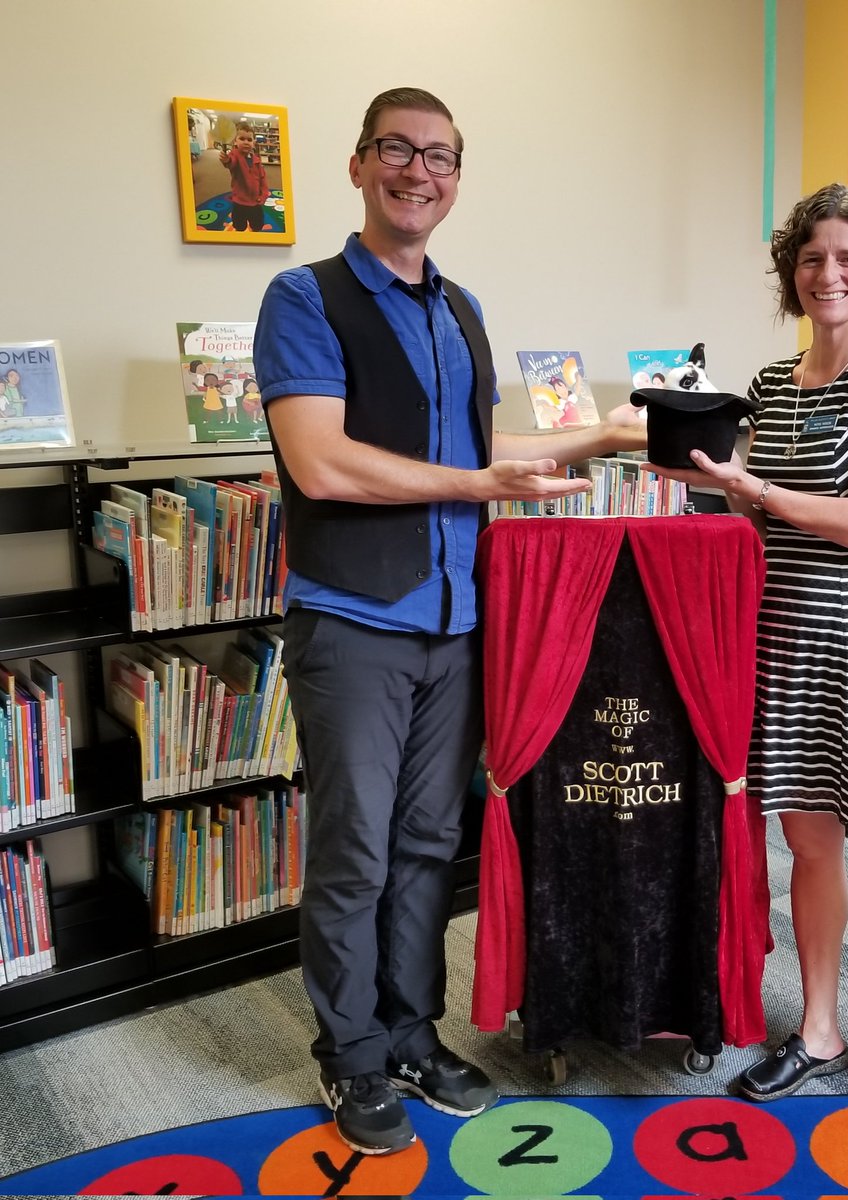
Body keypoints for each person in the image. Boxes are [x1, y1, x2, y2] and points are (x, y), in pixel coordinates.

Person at [252, 85, 646, 1158]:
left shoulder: (461, 309)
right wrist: (484, 489)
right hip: (354, 624)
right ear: (358, 164)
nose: (417, 170)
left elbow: (485, 460)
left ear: (457, 179)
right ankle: (352, 1054)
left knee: (432, 843)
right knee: (355, 852)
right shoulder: (304, 297)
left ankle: (413, 1031)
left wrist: (597, 439)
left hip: (457, 622)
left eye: (439, 156)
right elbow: (321, 462)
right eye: (397, 149)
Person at [653, 183, 848, 1143]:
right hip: (781, 640)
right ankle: (819, 1031)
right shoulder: (773, 384)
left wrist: (752, 488)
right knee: (809, 846)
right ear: (794, 270)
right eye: (814, 257)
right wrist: (703, 482)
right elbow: (756, 513)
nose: (829, 274)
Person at [218, 122, 269, 232]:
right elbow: (231, 162)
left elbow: (262, 178)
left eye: (249, 140)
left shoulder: (256, 159)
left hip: (256, 201)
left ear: (254, 143)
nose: (246, 142)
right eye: (242, 138)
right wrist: (227, 160)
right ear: (235, 141)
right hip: (240, 202)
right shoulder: (234, 155)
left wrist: (264, 194)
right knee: (239, 226)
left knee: (257, 225)